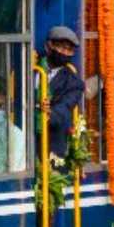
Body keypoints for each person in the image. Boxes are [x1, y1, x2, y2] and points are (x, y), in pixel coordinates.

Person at [39, 25, 85, 162]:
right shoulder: (31, 68)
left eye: (69, 50)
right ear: (49, 46)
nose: (65, 53)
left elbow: (64, 108)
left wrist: (48, 114)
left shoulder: (74, 83)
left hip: (51, 146)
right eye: (61, 47)